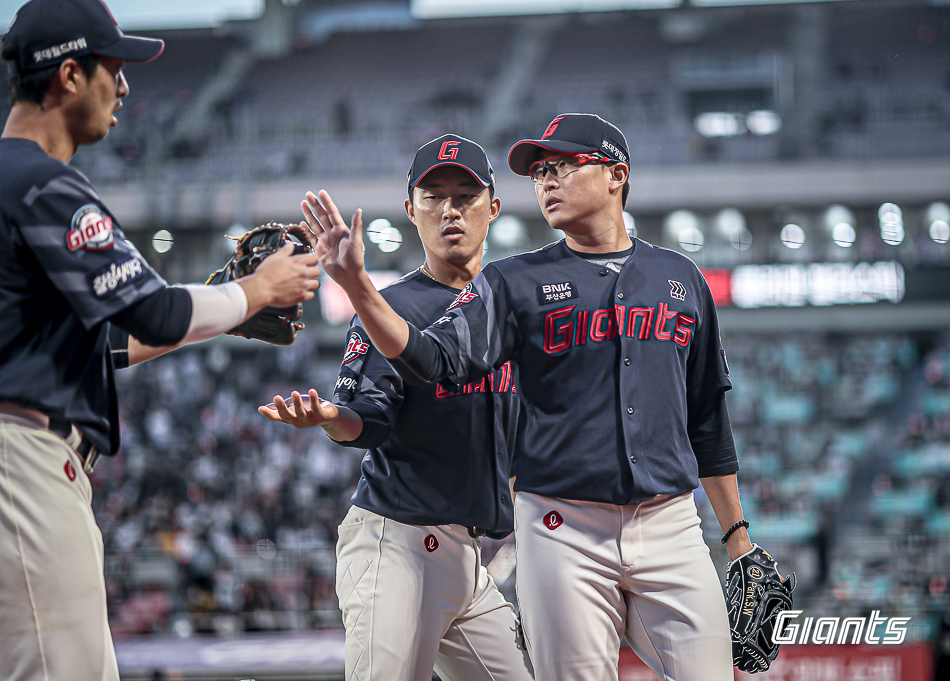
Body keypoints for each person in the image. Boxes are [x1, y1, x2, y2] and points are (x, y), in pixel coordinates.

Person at [302, 113, 763, 681]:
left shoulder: (675, 279)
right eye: (539, 171)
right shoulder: (503, 287)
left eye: (562, 167)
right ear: (411, 208)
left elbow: (705, 415)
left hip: (533, 541)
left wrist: (736, 534)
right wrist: (357, 292)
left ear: (616, 175)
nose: (546, 180)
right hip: (443, 537)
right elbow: (413, 378)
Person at [0, 2, 321, 680]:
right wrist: (257, 291)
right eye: (112, 69)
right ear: (67, 75)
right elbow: (153, 313)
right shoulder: (42, 183)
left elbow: (109, 340)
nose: (124, 88)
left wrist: (223, 307)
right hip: (21, 463)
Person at [259, 135, 533, 681]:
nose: (450, 209)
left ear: (494, 208)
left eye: (465, 194)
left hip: (466, 554)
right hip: (396, 543)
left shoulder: (512, 307)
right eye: (433, 196)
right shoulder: (393, 309)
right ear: (411, 210)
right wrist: (330, 418)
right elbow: (368, 420)